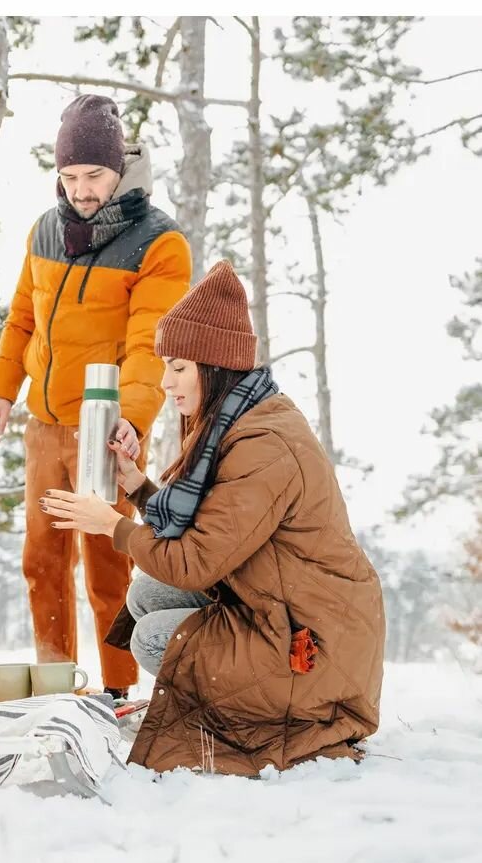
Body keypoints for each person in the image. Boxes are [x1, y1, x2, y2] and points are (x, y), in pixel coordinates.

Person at [40, 259, 385, 777]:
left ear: (215, 366)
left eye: (178, 367)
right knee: (146, 593)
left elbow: (195, 562)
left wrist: (112, 527)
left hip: (313, 649)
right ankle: (220, 694)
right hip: (284, 609)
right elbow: (207, 529)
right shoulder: (242, 421)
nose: (166, 382)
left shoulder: (263, 445)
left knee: (152, 636)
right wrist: (135, 484)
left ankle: (258, 712)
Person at [0, 94, 192, 700]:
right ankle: (53, 687)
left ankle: (119, 692)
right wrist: (1, 393)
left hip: (105, 428)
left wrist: (133, 419)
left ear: (119, 167)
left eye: (93, 175)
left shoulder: (160, 242)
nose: (80, 190)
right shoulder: (45, 230)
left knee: (108, 565)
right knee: (42, 562)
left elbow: (149, 343)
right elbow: (22, 318)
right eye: (69, 177)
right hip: (44, 427)